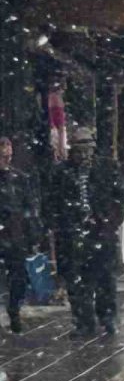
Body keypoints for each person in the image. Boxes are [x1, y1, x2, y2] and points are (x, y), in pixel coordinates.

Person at [46, 127, 124, 338]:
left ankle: (107, 318)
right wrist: (60, 224)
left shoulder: (107, 169)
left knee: (105, 280)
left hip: (101, 232)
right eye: (79, 151)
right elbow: (52, 203)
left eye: (87, 150)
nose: (83, 156)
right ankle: (83, 322)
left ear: (93, 149)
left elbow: (119, 199)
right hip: (71, 235)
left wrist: (108, 222)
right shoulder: (61, 172)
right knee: (76, 282)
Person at [0, 137, 39, 334]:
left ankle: (14, 310)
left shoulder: (19, 178)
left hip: (14, 236)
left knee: (19, 277)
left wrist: (32, 235)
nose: (6, 160)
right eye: (3, 156)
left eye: (9, 156)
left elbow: (29, 208)